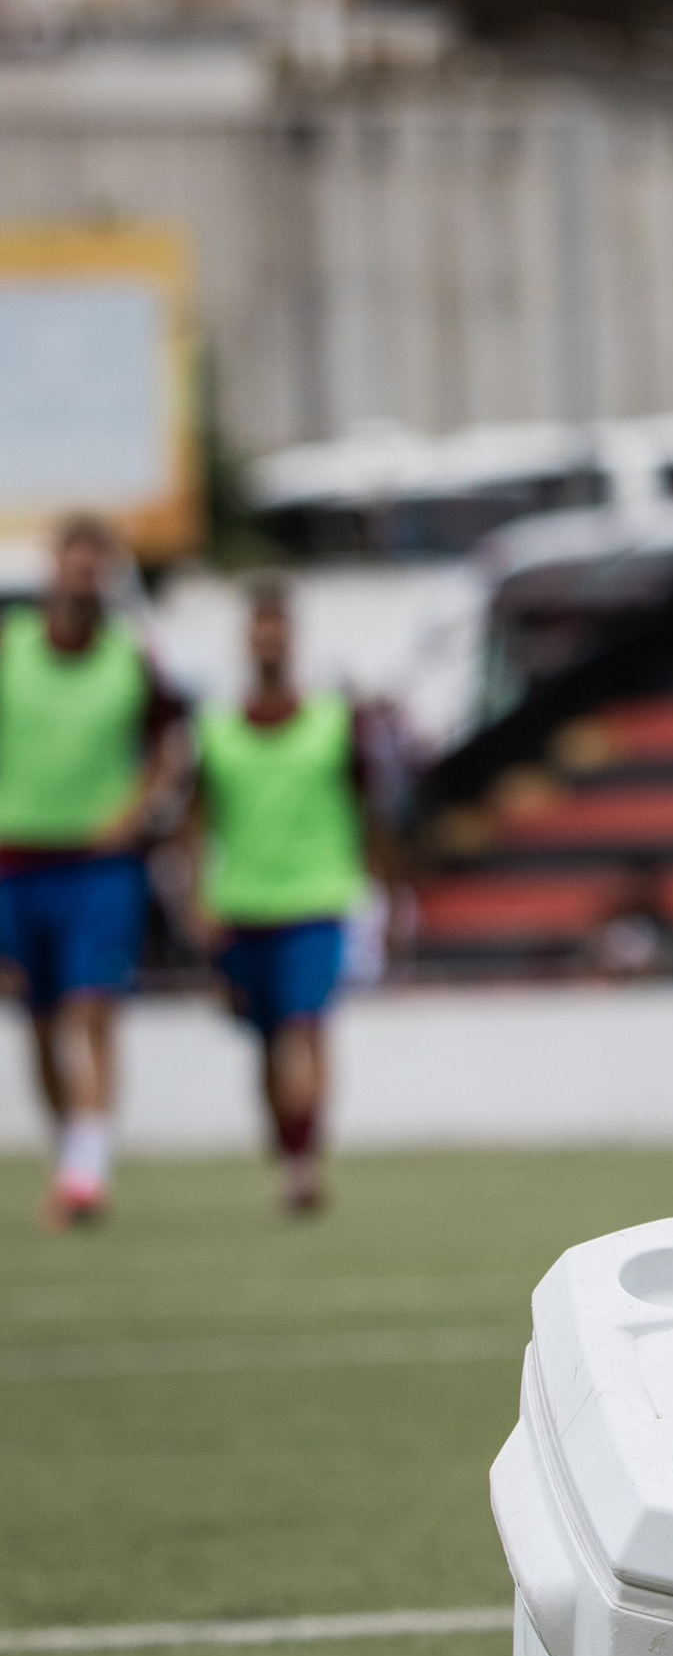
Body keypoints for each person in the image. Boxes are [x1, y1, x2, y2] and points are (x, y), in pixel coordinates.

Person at [0, 517, 189, 1229]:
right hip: (16, 862)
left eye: (93, 569)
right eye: (71, 567)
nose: (81, 581)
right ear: (52, 572)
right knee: (41, 1022)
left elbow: (173, 747)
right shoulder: (10, 649)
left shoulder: (131, 660)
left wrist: (137, 811)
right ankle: (73, 1152)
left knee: (94, 1009)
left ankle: (88, 1171)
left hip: (102, 864)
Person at [187, 579, 383, 1217]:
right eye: (258, 627)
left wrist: (379, 883)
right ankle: (289, 1146)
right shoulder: (215, 728)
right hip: (243, 903)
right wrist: (197, 894)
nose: (268, 639)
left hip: (318, 898)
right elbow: (196, 818)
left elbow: (367, 804)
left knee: (306, 1028)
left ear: (291, 637)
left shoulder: (332, 720)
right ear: (247, 639)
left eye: (278, 626)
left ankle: (305, 1161)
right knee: (271, 1043)